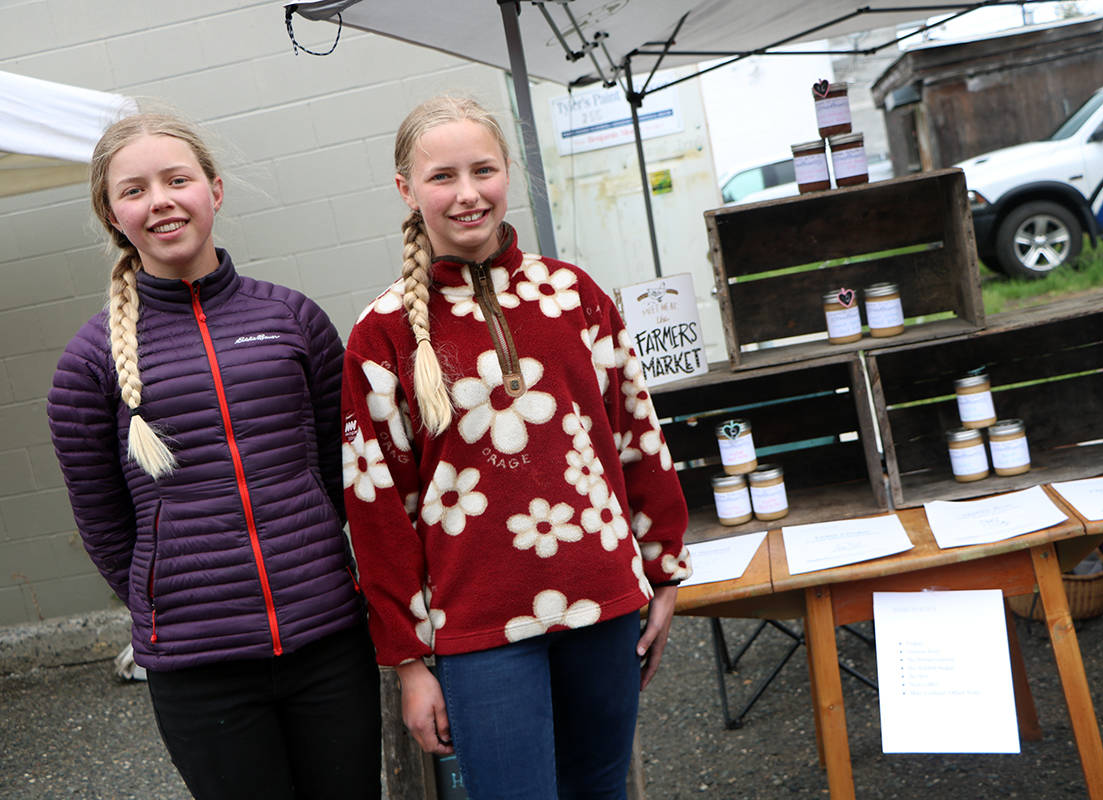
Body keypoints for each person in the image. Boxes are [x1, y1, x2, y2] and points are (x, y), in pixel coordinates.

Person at [340, 95, 693, 798]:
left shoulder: (574, 294)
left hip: (605, 600)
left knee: (601, 788)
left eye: (484, 170)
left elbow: (635, 434)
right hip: (478, 625)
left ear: (508, 175)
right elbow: (376, 506)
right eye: (443, 177)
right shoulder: (381, 335)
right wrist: (410, 662)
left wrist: (663, 575)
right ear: (406, 189)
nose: (468, 194)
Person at [46, 112, 381, 800]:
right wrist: (172, 596)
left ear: (215, 191)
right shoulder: (87, 365)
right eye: (134, 190)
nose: (161, 200)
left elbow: (340, 472)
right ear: (112, 213)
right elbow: (105, 525)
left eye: (178, 179)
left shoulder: (294, 320)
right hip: (200, 669)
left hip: (328, 645)